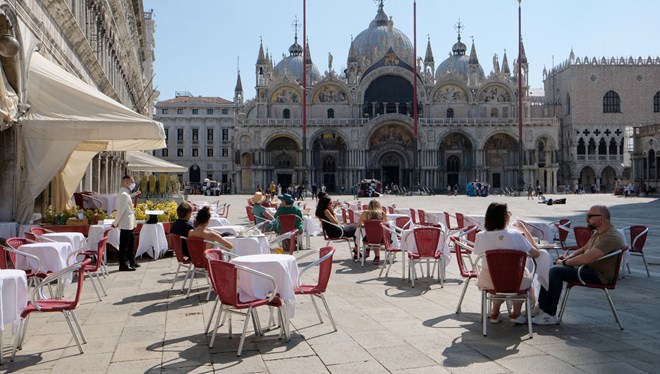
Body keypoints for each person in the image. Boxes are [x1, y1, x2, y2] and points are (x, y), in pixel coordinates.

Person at [532, 205, 624, 325]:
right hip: (588, 269)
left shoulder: (610, 237)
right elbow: (582, 250)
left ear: (601, 218)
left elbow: (587, 258)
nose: (587, 219)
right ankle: (543, 307)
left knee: (556, 271)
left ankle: (550, 314)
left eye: (590, 216)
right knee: (551, 267)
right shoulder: (599, 232)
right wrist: (567, 258)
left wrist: (565, 263)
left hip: (598, 275)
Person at [473, 202, 540, 324]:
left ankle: (494, 313)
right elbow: (536, 253)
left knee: (496, 274)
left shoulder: (480, 236)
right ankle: (516, 313)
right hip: (514, 280)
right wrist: (525, 230)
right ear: (505, 217)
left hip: (489, 280)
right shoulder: (515, 235)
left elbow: (478, 253)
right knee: (520, 275)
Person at [316, 195, 359, 259]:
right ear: (326, 204)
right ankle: (356, 251)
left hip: (331, 232)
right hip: (336, 232)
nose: (331, 205)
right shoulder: (326, 211)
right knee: (356, 228)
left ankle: (356, 250)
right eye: (330, 203)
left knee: (355, 226)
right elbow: (336, 223)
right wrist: (333, 213)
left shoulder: (320, 211)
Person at [112, 175, 141, 271]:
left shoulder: (126, 193)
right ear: (126, 183)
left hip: (129, 223)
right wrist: (115, 223)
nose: (133, 184)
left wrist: (134, 194)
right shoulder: (123, 194)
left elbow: (128, 198)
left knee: (131, 243)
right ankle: (123, 264)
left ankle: (132, 261)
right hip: (125, 223)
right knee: (124, 245)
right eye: (132, 182)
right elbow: (121, 211)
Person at [355, 199, 387, 265]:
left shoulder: (365, 213)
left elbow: (358, 225)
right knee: (377, 235)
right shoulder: (382, 213)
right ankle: (377, 257)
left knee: (371, 236)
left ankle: (368, 248)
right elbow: (386, 225)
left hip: (369, 238)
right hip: (381, 239)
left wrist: (366, 225)